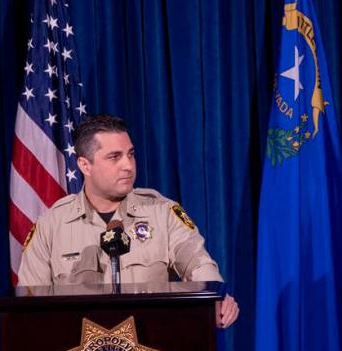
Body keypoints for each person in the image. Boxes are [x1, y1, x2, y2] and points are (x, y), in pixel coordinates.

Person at [17, 114, 240, 327]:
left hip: (154, 346)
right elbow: (29, 302)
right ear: (85, 165)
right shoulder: (51, 225)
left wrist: (215, 296)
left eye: (130, 154)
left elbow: (197, 262)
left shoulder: (161, 212)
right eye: (115, 157)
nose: (128, 165)